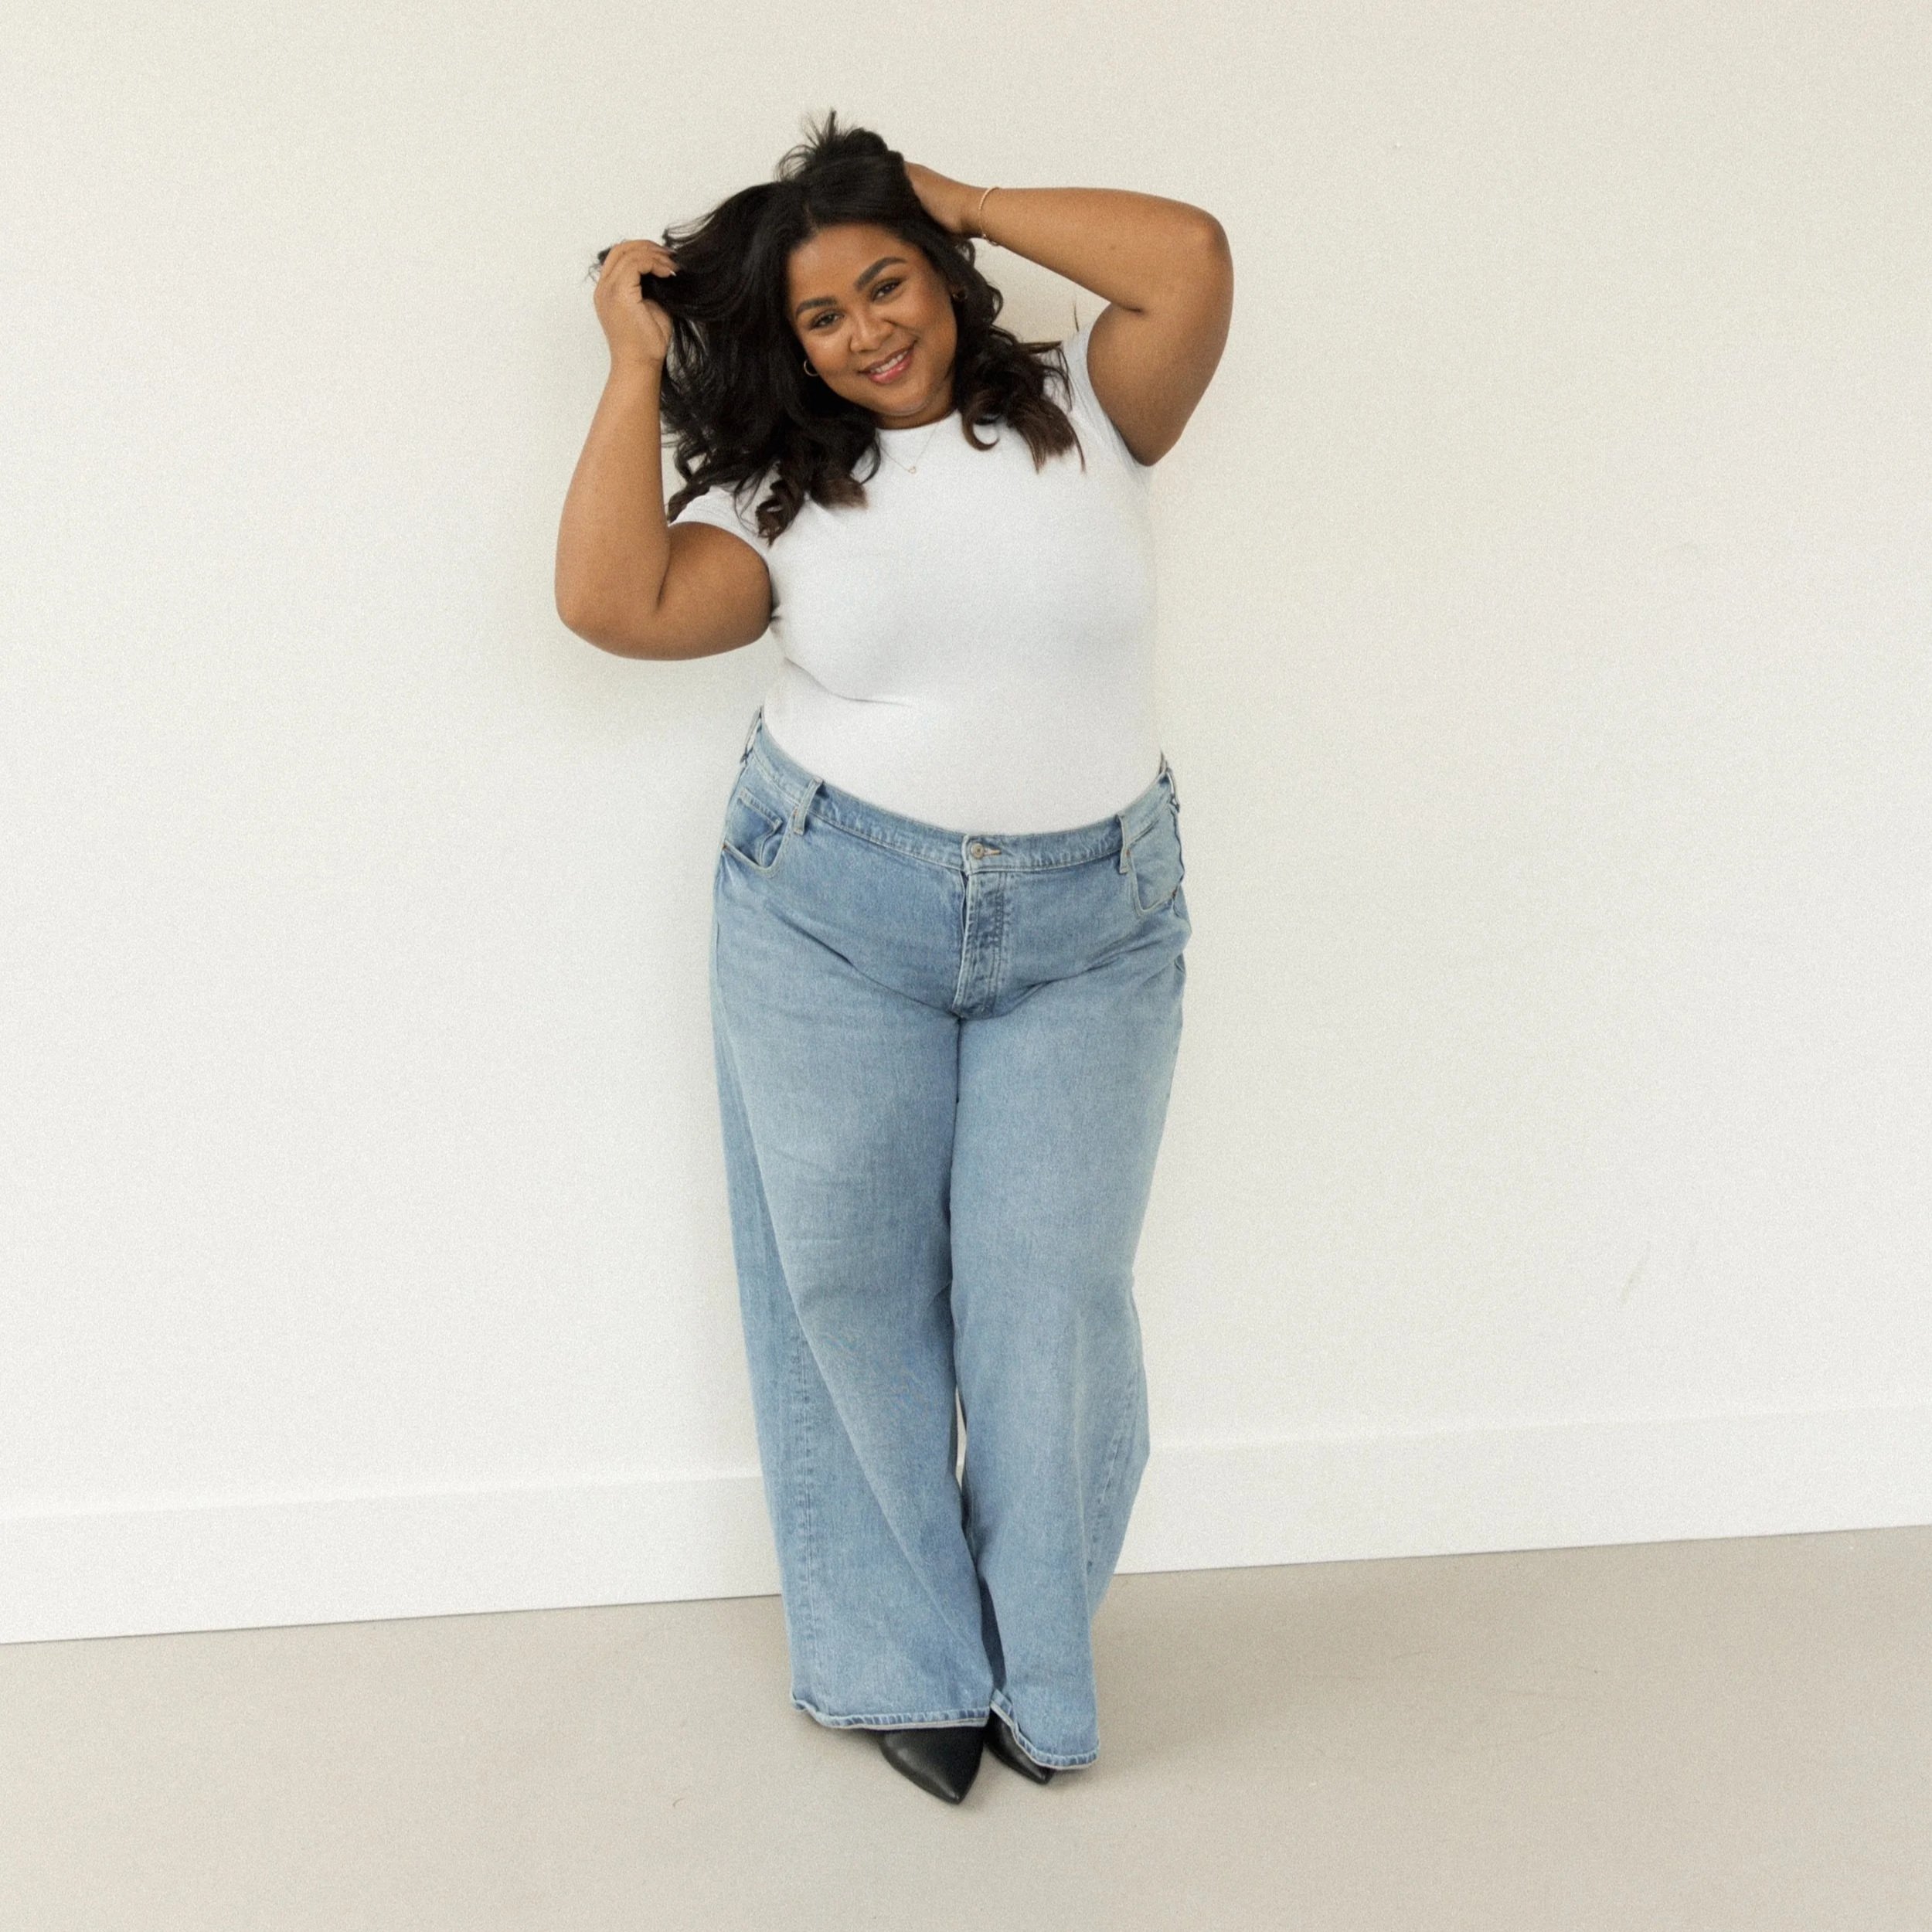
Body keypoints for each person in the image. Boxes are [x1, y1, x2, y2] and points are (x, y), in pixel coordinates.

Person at [556, 111, 1233, 1804]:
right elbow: (611, 602)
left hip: (1091, 928)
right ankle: (896, 1656)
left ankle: (1032, 1656)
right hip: (828, 915)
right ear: (784, 351)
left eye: (887, 281)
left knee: (1047, 1299)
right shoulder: (774, 501)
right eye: (823, 315)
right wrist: (633, 362)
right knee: (848, 1292)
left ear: (939, 273)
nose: (870, 327)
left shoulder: (1089, 409)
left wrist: (953, 192)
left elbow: (1193, 257)